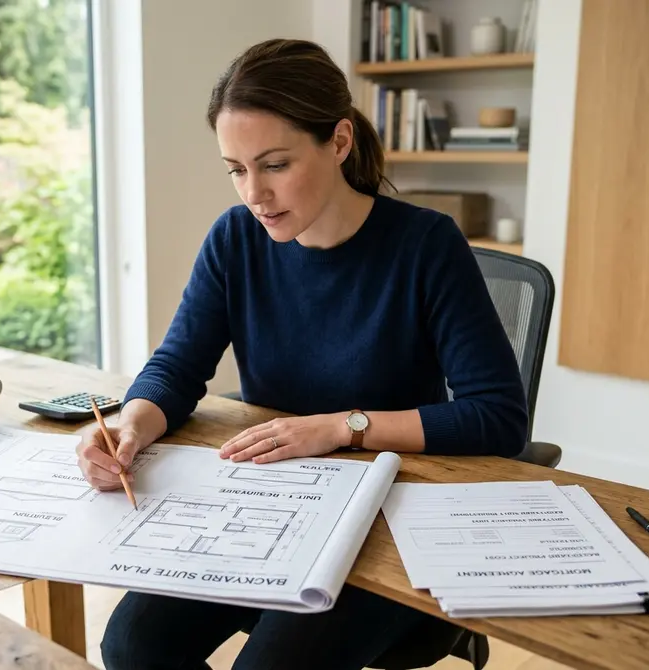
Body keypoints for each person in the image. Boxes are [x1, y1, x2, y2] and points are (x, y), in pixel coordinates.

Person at [74, 38, 528, 670]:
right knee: (133, 644)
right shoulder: (236, 240)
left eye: (275, 165)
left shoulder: (425, 244)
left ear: (338, 142)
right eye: (235, 169)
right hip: (269, 506)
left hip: (382, 518)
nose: (253, 193)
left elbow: (499, 417)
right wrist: (131, 427)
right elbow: (176, 368)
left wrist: (343, 428)